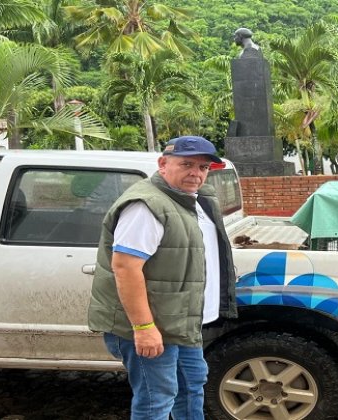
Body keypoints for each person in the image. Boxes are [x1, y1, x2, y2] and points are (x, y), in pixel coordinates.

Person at [88, 136, 237, 419]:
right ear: (163, 164)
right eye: (187, 164)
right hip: (154, 325)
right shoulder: (146, 206)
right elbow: (125, 267)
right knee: (157, 400)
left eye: (203, 167)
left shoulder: (192, 201)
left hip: (181, 323)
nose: (196, 173)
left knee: (191, 387)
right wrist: (144, 327)